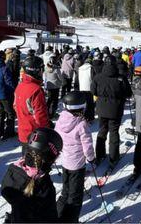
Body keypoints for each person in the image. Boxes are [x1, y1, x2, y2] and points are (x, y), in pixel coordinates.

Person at [1, 127, 63, 223]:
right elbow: (50, 218)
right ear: (50, 158)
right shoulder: (44, 187)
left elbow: (7, 193)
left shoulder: (14, 170)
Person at [55, 92, 95, 222]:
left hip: (65, 162)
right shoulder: (81, 124)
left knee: (65, 191)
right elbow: (87, 144)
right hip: (77, 165)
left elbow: (56, 137)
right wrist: (91, 158)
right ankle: (71, 220)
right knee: (75, 196)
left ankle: (58, 216)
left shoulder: (61, 118)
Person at [92, 55, 131, 168]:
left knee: (102, 131)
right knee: (113, 132)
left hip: (102, 109)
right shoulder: (120, 78)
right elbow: (128, 93)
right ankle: (113, 158)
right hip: (115, 109)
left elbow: (93, 90)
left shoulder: (98, 77)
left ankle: (100, 154)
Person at [14, 56, 50, 153]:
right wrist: (47, 131)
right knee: (35, 165)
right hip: (35, 135)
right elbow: (40, 116)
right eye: (41, 70)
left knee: (26, 162)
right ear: (36, 70)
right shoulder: (36, 89)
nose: (42, 72)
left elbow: (15, 106)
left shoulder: (20, 86)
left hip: (23, 131)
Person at [78, 57, 95, 121]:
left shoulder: (80, 68)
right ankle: (90, 117)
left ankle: (84, 116)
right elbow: (93, 78)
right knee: (90, 103)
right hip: (89, 87)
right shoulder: (91, 68)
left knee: (84, 103)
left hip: (82, 87)